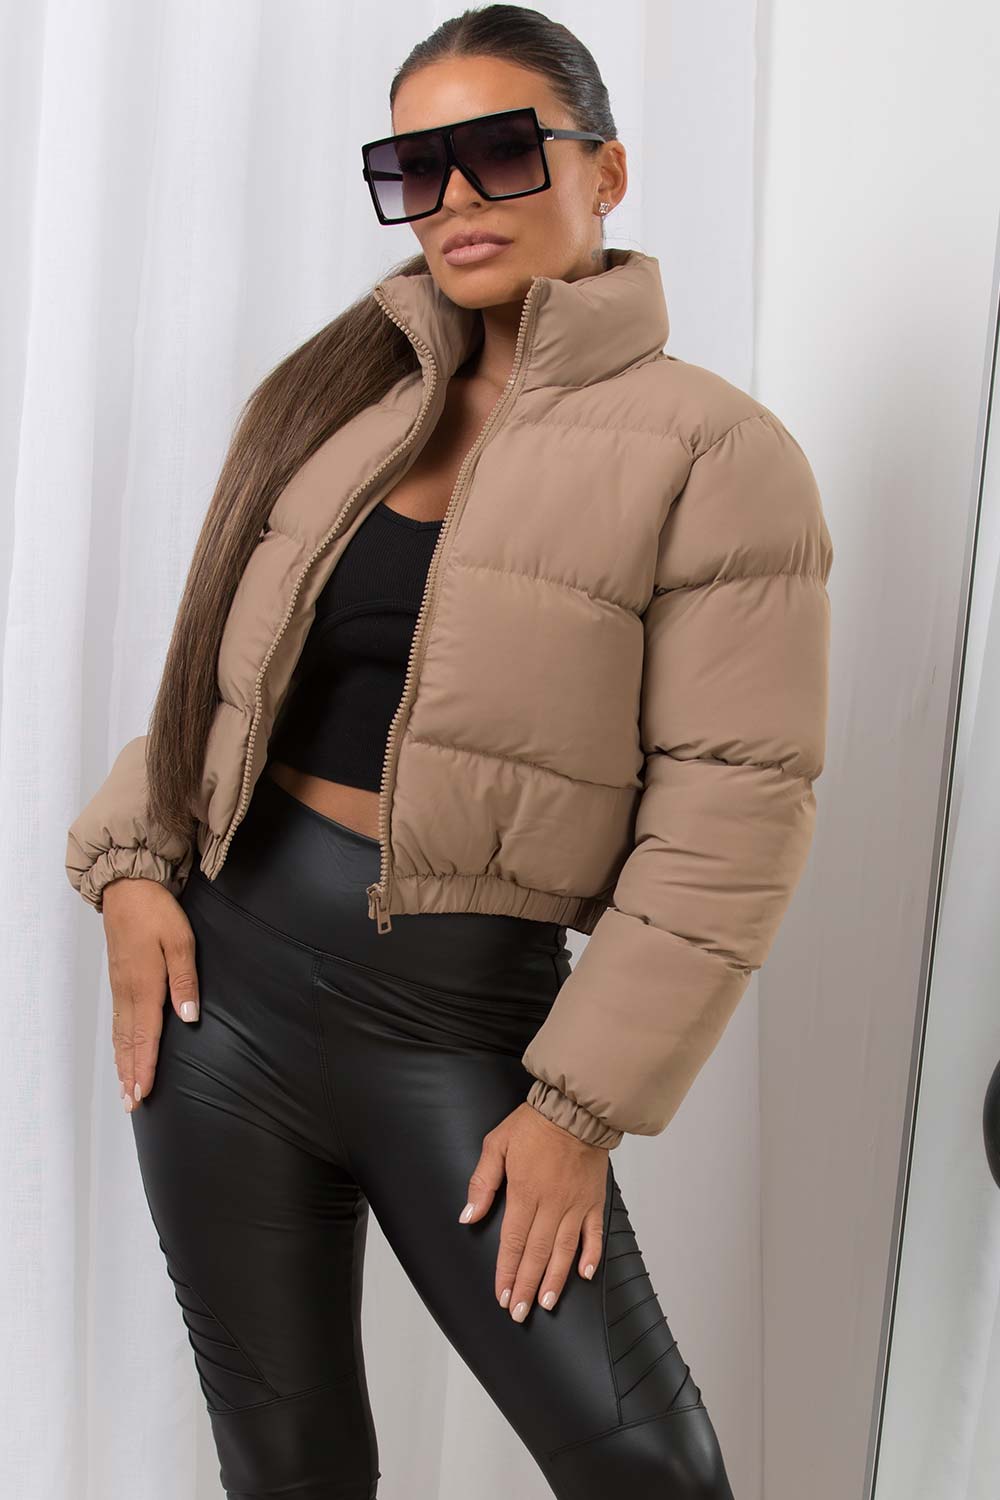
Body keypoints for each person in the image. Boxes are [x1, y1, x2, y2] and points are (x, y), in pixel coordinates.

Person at [65, 6, 833, 1497]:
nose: (458, 199)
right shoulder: (337, 399)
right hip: (225, 990)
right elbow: (222, 675)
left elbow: (734, 811)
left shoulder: (718, 452)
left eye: (500, 152)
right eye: (417, 167)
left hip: (457, 1023)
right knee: (285, 1466)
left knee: (649, 1466)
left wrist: (580, 1108)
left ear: (607, 171)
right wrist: (132, 866)